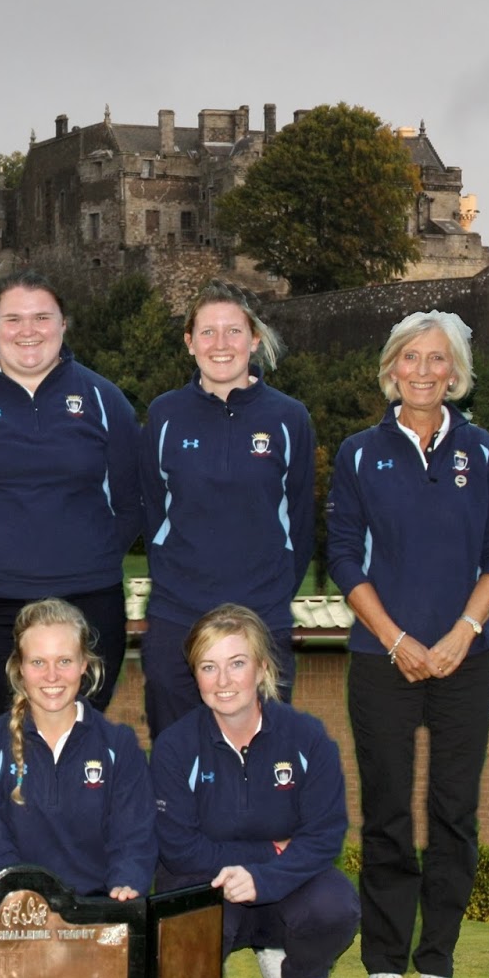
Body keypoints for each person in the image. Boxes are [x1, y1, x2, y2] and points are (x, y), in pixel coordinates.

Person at [326, 310, 489, 978]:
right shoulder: (357, 452)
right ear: (391, 368)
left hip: (467, 659)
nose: (424, 370)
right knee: (385, 811)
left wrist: (464, 630)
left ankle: (437, 956)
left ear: (456, 373)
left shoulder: (484, 453)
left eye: (438, 359)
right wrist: (397, 640)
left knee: (453, 812)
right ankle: (385, 954)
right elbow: (343, 557)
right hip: (382, 659)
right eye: (411, 357)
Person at [0, 270, 141, 734]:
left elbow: (133, 500)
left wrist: (90, 557)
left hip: (86, 601)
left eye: (42, 317)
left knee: (79, 745)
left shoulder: (104, 401)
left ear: (64, 324)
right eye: (13, 318)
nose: (28, 330)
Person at [149, 603, 358, 978]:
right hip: (207, 880)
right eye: (209, 667)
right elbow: (178, 846)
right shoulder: (174, 746)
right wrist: (264, 855)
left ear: (261, 668)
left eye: (236, 663)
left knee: (335, 905)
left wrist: (265, 879)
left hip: (283, 884)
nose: (223, 681)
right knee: (185, 914)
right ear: (196, 675)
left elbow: (325, 834)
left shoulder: (308, 737)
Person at [140, 281, 314, 737]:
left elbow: (299, 519)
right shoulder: (164, 415)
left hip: (260, 614)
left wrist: (269, 592)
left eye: (233, 332)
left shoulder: (290, 417)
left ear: (254, 339)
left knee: (261, 757)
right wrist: (179, 578)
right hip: (178, 612)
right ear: (189, 341)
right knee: (175, 757)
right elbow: (153, 511)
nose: (221, 345)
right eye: (208, 332)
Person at [0, 598, 156, 901]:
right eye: (38, 662)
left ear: (83, 665)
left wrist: (125, 888)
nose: (52, 676)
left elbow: (133, 838)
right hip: (15, 908)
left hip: (99, 906)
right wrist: (28, 905)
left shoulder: (120, 745)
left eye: (64, 661)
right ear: (20, 668)